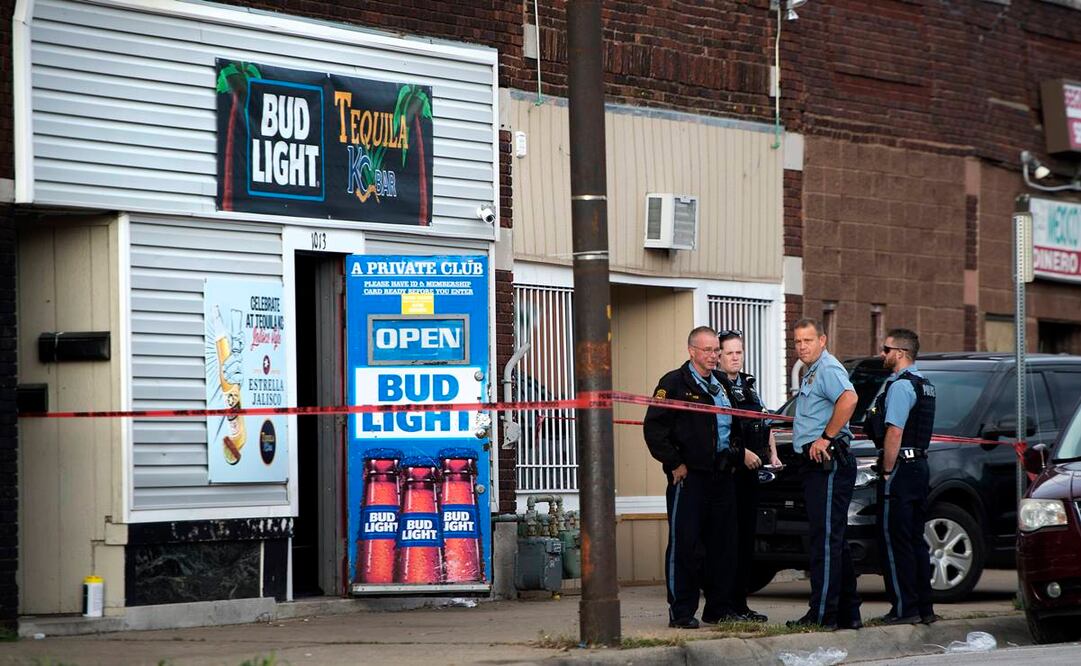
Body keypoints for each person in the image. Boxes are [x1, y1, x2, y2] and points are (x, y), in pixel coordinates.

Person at [643, 326, 742, 629]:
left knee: (722, 546)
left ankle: (718, 608)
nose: (715, 356)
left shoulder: (722, 384)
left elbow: (732, 425)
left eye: (717, 350)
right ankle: (682, 611)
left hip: (721, 475)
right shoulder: (674, 383)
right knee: (686, 545)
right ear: (692, 351)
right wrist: (674, 463)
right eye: (709, 350)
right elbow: (654, 429)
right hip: (690, 477)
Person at [785, 318, 863, 631]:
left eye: (807, 340)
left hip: (828, 462)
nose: (802, 347)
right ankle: (847, 613)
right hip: (815, 465)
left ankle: (822, 614)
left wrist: (826, 437)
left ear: (822, 340)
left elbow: (850, 399)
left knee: (825, 542)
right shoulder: (812, 372)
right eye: (797, 342)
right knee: (834, 541)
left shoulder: (828, 369)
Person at [863, 328, 938, 625]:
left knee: (894, 540)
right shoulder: (925, 384)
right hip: (920, 466)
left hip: (902, 469)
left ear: (901, 353)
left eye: (886, 349)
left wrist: (886, 470)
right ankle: (924, 607)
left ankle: (904, 608)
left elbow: (894, 431)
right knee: (916, 539)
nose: (882, 354)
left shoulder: (901, 386)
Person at [716, 329, 781, 623]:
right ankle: (724, 605)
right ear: (718, 356)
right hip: (729, 473)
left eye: (739, 352)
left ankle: (740, 604)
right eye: (729, 353)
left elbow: (764, 422)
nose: (735, 358)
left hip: (752, 474)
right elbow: (719, 432)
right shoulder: (715, 387)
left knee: (745, 541)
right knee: (726, 542)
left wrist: (773, 454)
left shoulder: (749, 385)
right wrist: (741, 454)